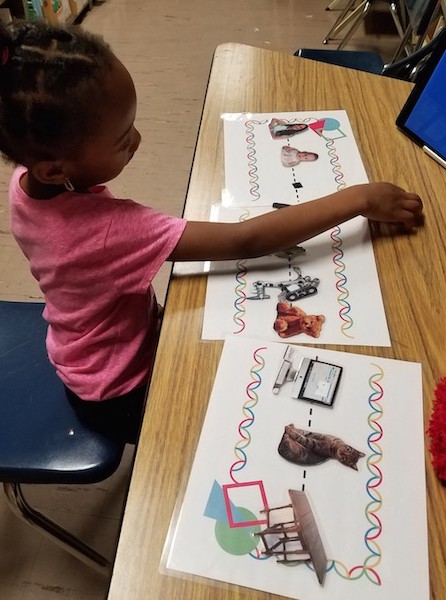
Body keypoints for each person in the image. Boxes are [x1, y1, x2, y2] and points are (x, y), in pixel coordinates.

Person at [0, 21, 423, 443]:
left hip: (85, 352)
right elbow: (247, 240)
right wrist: (358, 199)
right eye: (123, 139)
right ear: (56, 169)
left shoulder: (24, 181)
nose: (139, 140)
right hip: (121, 389)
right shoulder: (111, 231)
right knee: (242, 420)